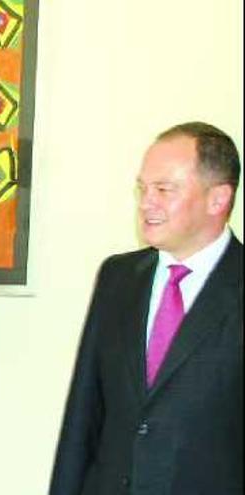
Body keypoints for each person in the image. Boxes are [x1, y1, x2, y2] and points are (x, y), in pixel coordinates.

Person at [50, 122, 243, 494]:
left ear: (217, 199)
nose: (146, 203)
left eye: (163, 190)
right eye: (142, 188)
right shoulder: (118, 277)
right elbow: (83, 415)